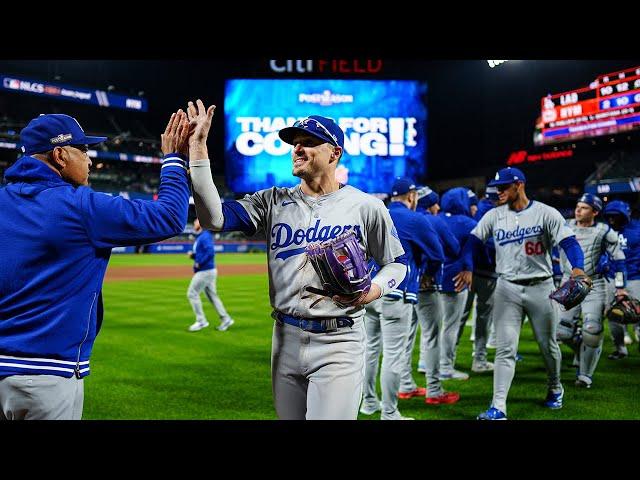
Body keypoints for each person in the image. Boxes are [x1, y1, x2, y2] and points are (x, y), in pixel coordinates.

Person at [188, 104, 407, 420]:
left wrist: (373, 289)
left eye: (309, 141)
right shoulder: (272, 201)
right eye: (295, 143)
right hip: (285, 338)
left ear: (334, 153)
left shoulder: (366, 206)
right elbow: (213, 219)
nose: (298, 148)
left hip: (339, 339)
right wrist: (198, 150)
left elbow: (398, 264)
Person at [0, 111, 191, 420]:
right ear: (60, 155)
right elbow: (168, 216)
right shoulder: (80, 206)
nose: (89, 161)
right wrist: (173, 160)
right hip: (47, 376)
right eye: (84, 150)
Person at [455, 167, 587, 420]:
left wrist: (578, 268)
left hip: (541, 286)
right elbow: (472, 242)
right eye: (498, 187)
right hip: (507, 287)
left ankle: (555, 386)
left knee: (548, 345)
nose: (499, 191)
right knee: (505, 348)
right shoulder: (494, 215)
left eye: (504, 187)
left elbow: (569, 242)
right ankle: (498, 406)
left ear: (519, 185)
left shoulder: (545, 213)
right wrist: (468, 267)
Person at [360, 177, 444, 419]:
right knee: (394, 354)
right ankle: (389, 412)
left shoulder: (376, 213)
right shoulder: (416, 218)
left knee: (370, 350)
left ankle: (368, 403)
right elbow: (437, 255)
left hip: (369, 291)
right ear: (412, 196)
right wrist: (427, 274)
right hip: (396, 292)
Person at [556, 193, 626, 388]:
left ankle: (585, 375)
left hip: (594, 285)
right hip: (568, 283)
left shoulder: (604, 231)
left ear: (595, 212)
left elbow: (619, 261)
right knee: (561, 332)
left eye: (584, 207)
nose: (578, 210)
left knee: (592, 329)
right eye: (577, 206)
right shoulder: (563, 225)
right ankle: (582, 349)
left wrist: (620, 287)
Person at [437, 187, 477, 380]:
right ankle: (445, 367)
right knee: (450, 326)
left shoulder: (435, 219)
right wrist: (468, 268)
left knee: (432, 327)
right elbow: (471, 251)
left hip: (431, 279)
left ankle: (425, 362)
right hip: (456, 278)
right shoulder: (469, 223)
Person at [602, 200, 640, 360]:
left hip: (635, 277)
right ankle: (620, 348)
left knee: (638, 313)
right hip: (611, 278)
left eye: (615, 217)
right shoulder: (604, 230)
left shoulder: (638, 229)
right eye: (609, 216)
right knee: (614, 314)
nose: (611, 220)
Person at [187, 218, 235, 332]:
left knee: (192, 293)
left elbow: (210, 252)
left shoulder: (205, 236)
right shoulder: (202, 236)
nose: (194, 223)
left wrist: (199, 262)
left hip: (205, 271)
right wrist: (194, 256)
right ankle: (226, 319)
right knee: (212, 296)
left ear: (201, 223)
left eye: (196, 221)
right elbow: (203, 252)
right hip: (208, 270)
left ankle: (201, 321)